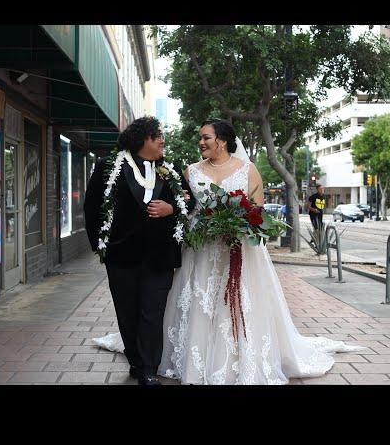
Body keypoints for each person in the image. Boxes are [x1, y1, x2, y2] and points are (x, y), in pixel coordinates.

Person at [93, 119, 362, 384]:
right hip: (200, 250)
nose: (201, 142)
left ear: (221, 141)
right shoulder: (190, 171)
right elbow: (186, 206)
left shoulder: (248, 170)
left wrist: (239, 223)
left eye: (206, 138)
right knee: (196, 304)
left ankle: (235, 359)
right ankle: (171, 359)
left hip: (238, 248)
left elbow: (257, 210)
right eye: (200, 138)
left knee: (235, 304)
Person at [84, 116, 195, 386]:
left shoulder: (170, 168)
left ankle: (148, 369)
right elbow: (91, 209)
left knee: (152, 312)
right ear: (142, 138)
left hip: (160, 256)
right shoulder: (108, 166)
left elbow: (188, 204)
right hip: (121, 257)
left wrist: (171, 208)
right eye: (157, 135)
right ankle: (135, 361)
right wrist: (103, 249)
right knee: (127, 312)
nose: (162, 140)